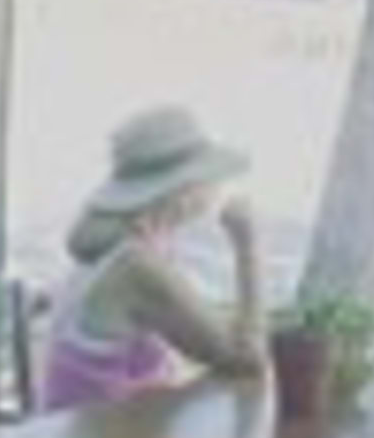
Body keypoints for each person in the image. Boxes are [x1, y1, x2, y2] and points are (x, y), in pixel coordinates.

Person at [40, 105, 266, 411]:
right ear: (182, 188)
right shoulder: (136, 265)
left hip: (99, 436)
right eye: (210, 175)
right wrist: (247, 243)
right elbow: (247, 363)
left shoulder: (124, 241)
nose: (218, 185)